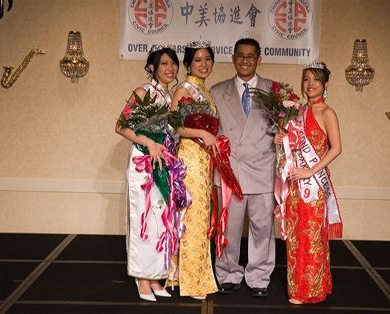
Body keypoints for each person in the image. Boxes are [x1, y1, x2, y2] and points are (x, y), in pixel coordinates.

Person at [210, 38, 275, 298]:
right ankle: (227, 272)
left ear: (259, 59)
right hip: (230, 170)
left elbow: (289, 127)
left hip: (263, 168)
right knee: (229, 228)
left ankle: (259, 275)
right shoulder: (216, 90)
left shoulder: (275, 91)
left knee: (262, 228)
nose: (245, 60)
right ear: (233, 58)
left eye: (251, 56)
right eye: (240, 55)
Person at [115, 45, 179, 302]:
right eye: (164, 63)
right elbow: (120, 126)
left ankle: (154, 276)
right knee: (143, 218)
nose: (170, 68)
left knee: (159, 221)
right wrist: (149, 142)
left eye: (173, 64)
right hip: (143, 161)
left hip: (162, 164)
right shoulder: (143, 91)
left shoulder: (170, 96)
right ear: (152, 67)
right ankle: (142, 277)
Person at [275, 61, 343, 304]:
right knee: (295, 237)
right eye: (306, 79)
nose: (310, 84)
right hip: (295, 185)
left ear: (324, 84)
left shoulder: (327, 113)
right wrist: (281, 139)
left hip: (314, 185)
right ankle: (298, 286)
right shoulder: (297, 112)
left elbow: (336, 148)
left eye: (315, 79)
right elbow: (291, 148)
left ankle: (310, 289)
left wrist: (310, 170)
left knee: (311, 237)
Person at [170, 39, 218, 300]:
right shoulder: (183, 90)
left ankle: (198, 274)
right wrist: (201, 132)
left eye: (208, 59)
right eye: (198, 59)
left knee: (201, 216)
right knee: (192, 217)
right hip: (189, 157)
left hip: (204, 159)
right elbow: (175, 126)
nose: (204, 64)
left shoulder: (206, 92)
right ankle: (191, 278)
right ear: (188, 63)